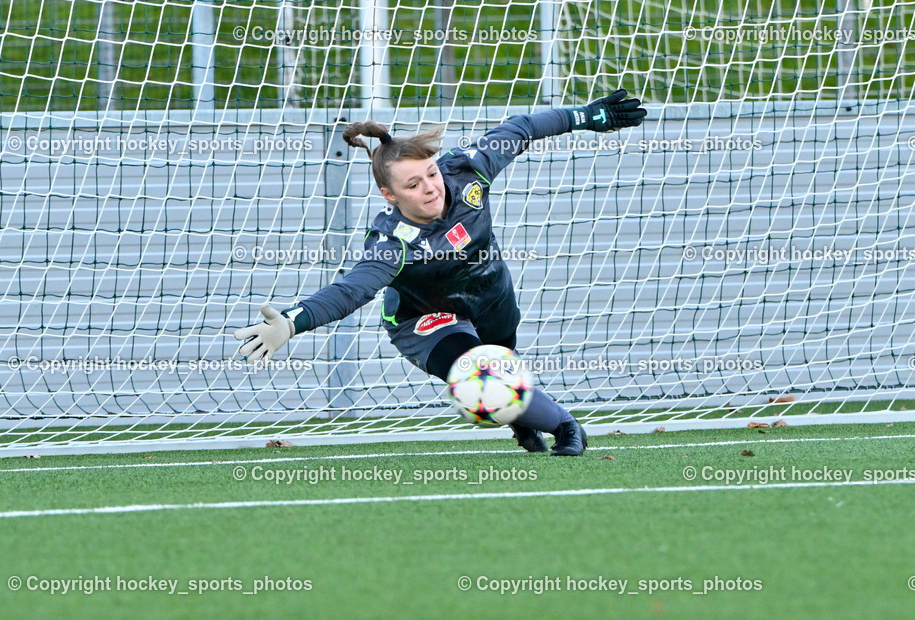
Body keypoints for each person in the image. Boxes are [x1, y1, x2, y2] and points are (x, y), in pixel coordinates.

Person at [234, 90, 646, 456]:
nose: (430, 187)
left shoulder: (468, 170)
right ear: (389, 195)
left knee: (505, 369)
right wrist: (291, 323)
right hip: (425, 318)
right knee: (478, 374)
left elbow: (520, 128)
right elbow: (351, 290)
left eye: (430, 173)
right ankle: (565, 425)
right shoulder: (391, 242)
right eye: (413, 185)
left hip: (489, 293)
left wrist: (585, 117)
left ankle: (523, 419)